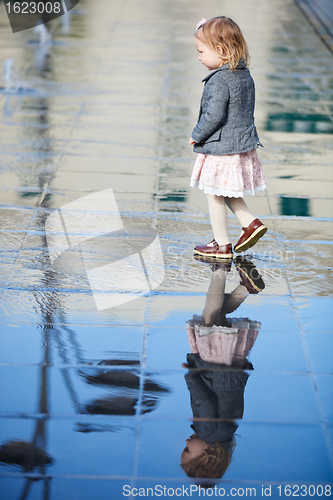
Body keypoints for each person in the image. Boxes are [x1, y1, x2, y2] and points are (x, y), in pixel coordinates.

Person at [189, 16, 267, 259]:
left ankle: (222, 245)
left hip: (221, 147)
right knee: (225, 191)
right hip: (240, 144)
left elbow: (214, 115)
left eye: (201, 51)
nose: (199, 57)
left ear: (220, 50)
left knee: (214, 193)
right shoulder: (244, 75)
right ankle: (250, 223)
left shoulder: (219, 80)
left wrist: (196, 135)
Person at [181, 257, 264, 479]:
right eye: (188, 450)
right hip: (215, 367)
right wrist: (191, 376)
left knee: (218, 316)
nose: (186, 442)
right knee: (209, 317)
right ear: (206, 457)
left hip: (230, 369)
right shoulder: (208, 432)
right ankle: (221, 269)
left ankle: (246, 288)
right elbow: (203, 401)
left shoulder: (227, 432)